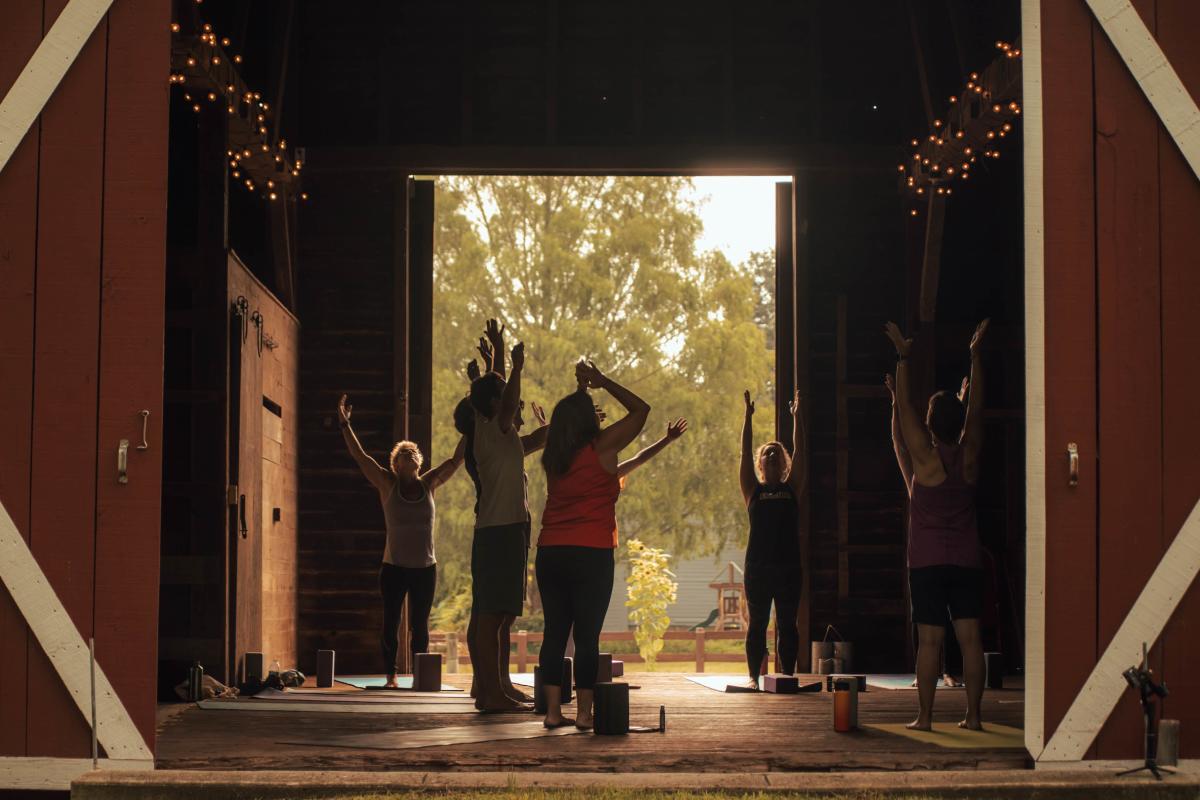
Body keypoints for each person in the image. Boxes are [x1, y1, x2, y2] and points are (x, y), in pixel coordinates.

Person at [884, 318, 989, 731]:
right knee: (970, 640)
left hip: (927, 563)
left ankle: (925, 718)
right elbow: (977, 408)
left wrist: (903, 359)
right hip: (966, 559)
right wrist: (975, 355)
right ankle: (975, 717)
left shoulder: (925, 463)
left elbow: (905, 417)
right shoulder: (970, 455)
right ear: (958, 422)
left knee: (930, 641)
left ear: (929, 424)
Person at [536, 359, 650, 729]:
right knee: (587, 636)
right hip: (591, 553)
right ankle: (584, 714)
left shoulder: (553, 456)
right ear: (590, 422)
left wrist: (581, 395)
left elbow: (565, 426)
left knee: (554, 633)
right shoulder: (601, 448)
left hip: (550, 551)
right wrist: (601, 381)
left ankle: (553, 713)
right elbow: (641, 410)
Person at [337, 393, 464, 687]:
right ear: (395, 463)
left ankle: (420, 676)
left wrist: (475, 422)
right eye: (401, 453)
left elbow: (457, 460)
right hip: (393, 568)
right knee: (390, 625)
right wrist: (345, 424)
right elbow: (360, 456)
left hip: (425, 568)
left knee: (419, 627)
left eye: (411, 452)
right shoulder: (386, 483)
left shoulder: (430, 483)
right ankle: (391, 676)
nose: (407, 454)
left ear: (417, 461)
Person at [467, 320, 547, 712]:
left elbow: (528, 438)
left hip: (507, 530)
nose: (512, 403)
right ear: (496, 403)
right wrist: (515, 366)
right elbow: (503, 396)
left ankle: (493, 688)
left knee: (498, 616)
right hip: (498, 531)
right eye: (505, 398)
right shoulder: (490, 426)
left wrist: (498, 350)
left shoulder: (500, 433)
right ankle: (489, 692)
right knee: (490, 616)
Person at [887, 373, 962, 691]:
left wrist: (896, 401)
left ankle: (948, 672)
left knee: (944, 620)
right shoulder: (932, 468)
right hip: (948, 556)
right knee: (939, 621)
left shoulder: (942, 464)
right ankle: (936, 673)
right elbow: (899, 443)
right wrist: (894, 401)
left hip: (935, 556)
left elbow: (902, 441)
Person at [739, 389, 807, 689]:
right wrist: (748, 418)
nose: (771, 454)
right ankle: (753, 677)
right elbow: (744, 453)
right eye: (767, 452)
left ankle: (788, 675)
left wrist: (797, 417)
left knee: (788, 625)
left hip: (789, 567)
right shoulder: (753, 490)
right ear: (760, 465)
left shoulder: (793, 488)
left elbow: (802, 451)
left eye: (777, 453)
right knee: (757, 625)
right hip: (758, 567)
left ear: (784, 464)